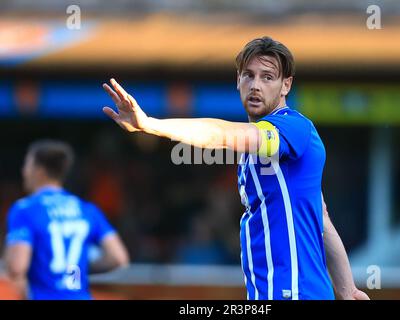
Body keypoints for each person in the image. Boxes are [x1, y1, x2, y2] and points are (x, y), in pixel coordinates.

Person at [102, 36, 369, 300]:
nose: (256, 85)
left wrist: (149, 124)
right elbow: (320, 217)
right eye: (249, 75)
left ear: (286, 85)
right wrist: (348, 291)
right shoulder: (255, 149)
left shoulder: (292, 128)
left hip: (293, 293)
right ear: (237, 80)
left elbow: (221, 134)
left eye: (267, 77)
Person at [4, 140, 129, 300]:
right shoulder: (87, 209)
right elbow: (119, 258)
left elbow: (16, 267)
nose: (23, 171)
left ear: (39, 170)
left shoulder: (25, 209)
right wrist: (77, 266)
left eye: (27, 165)